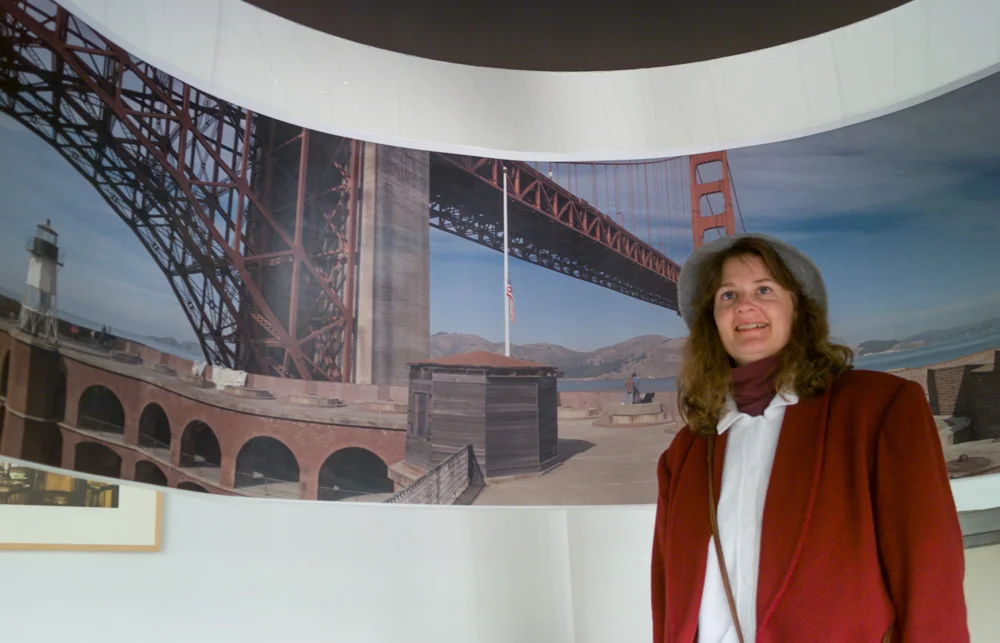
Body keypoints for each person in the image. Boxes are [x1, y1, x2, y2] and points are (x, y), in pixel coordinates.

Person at [650, 233, 968, 643]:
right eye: (727, 296)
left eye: (764, 289)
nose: (745, 305)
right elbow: (667, 591)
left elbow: (928, 568)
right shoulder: (685, 451)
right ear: (713, 322)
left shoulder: (880, 408)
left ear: (798, 309)